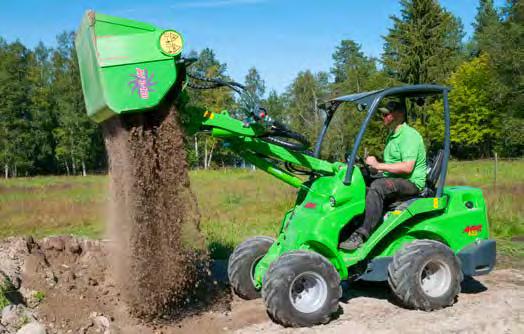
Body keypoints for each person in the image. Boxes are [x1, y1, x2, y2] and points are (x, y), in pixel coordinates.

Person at [340, 101, 427, 250]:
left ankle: (362, 234)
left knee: (378, 187)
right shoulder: (392, 136)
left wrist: (378, 165)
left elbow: (407, 167)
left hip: (411, 183)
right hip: (396, 179)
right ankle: (347, 227)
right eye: (382, 114)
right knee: (360, 181)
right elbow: (390, 167)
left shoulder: (409, 135)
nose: (383, 116)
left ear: (399, 114)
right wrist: (373, 169)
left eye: (386, 114)